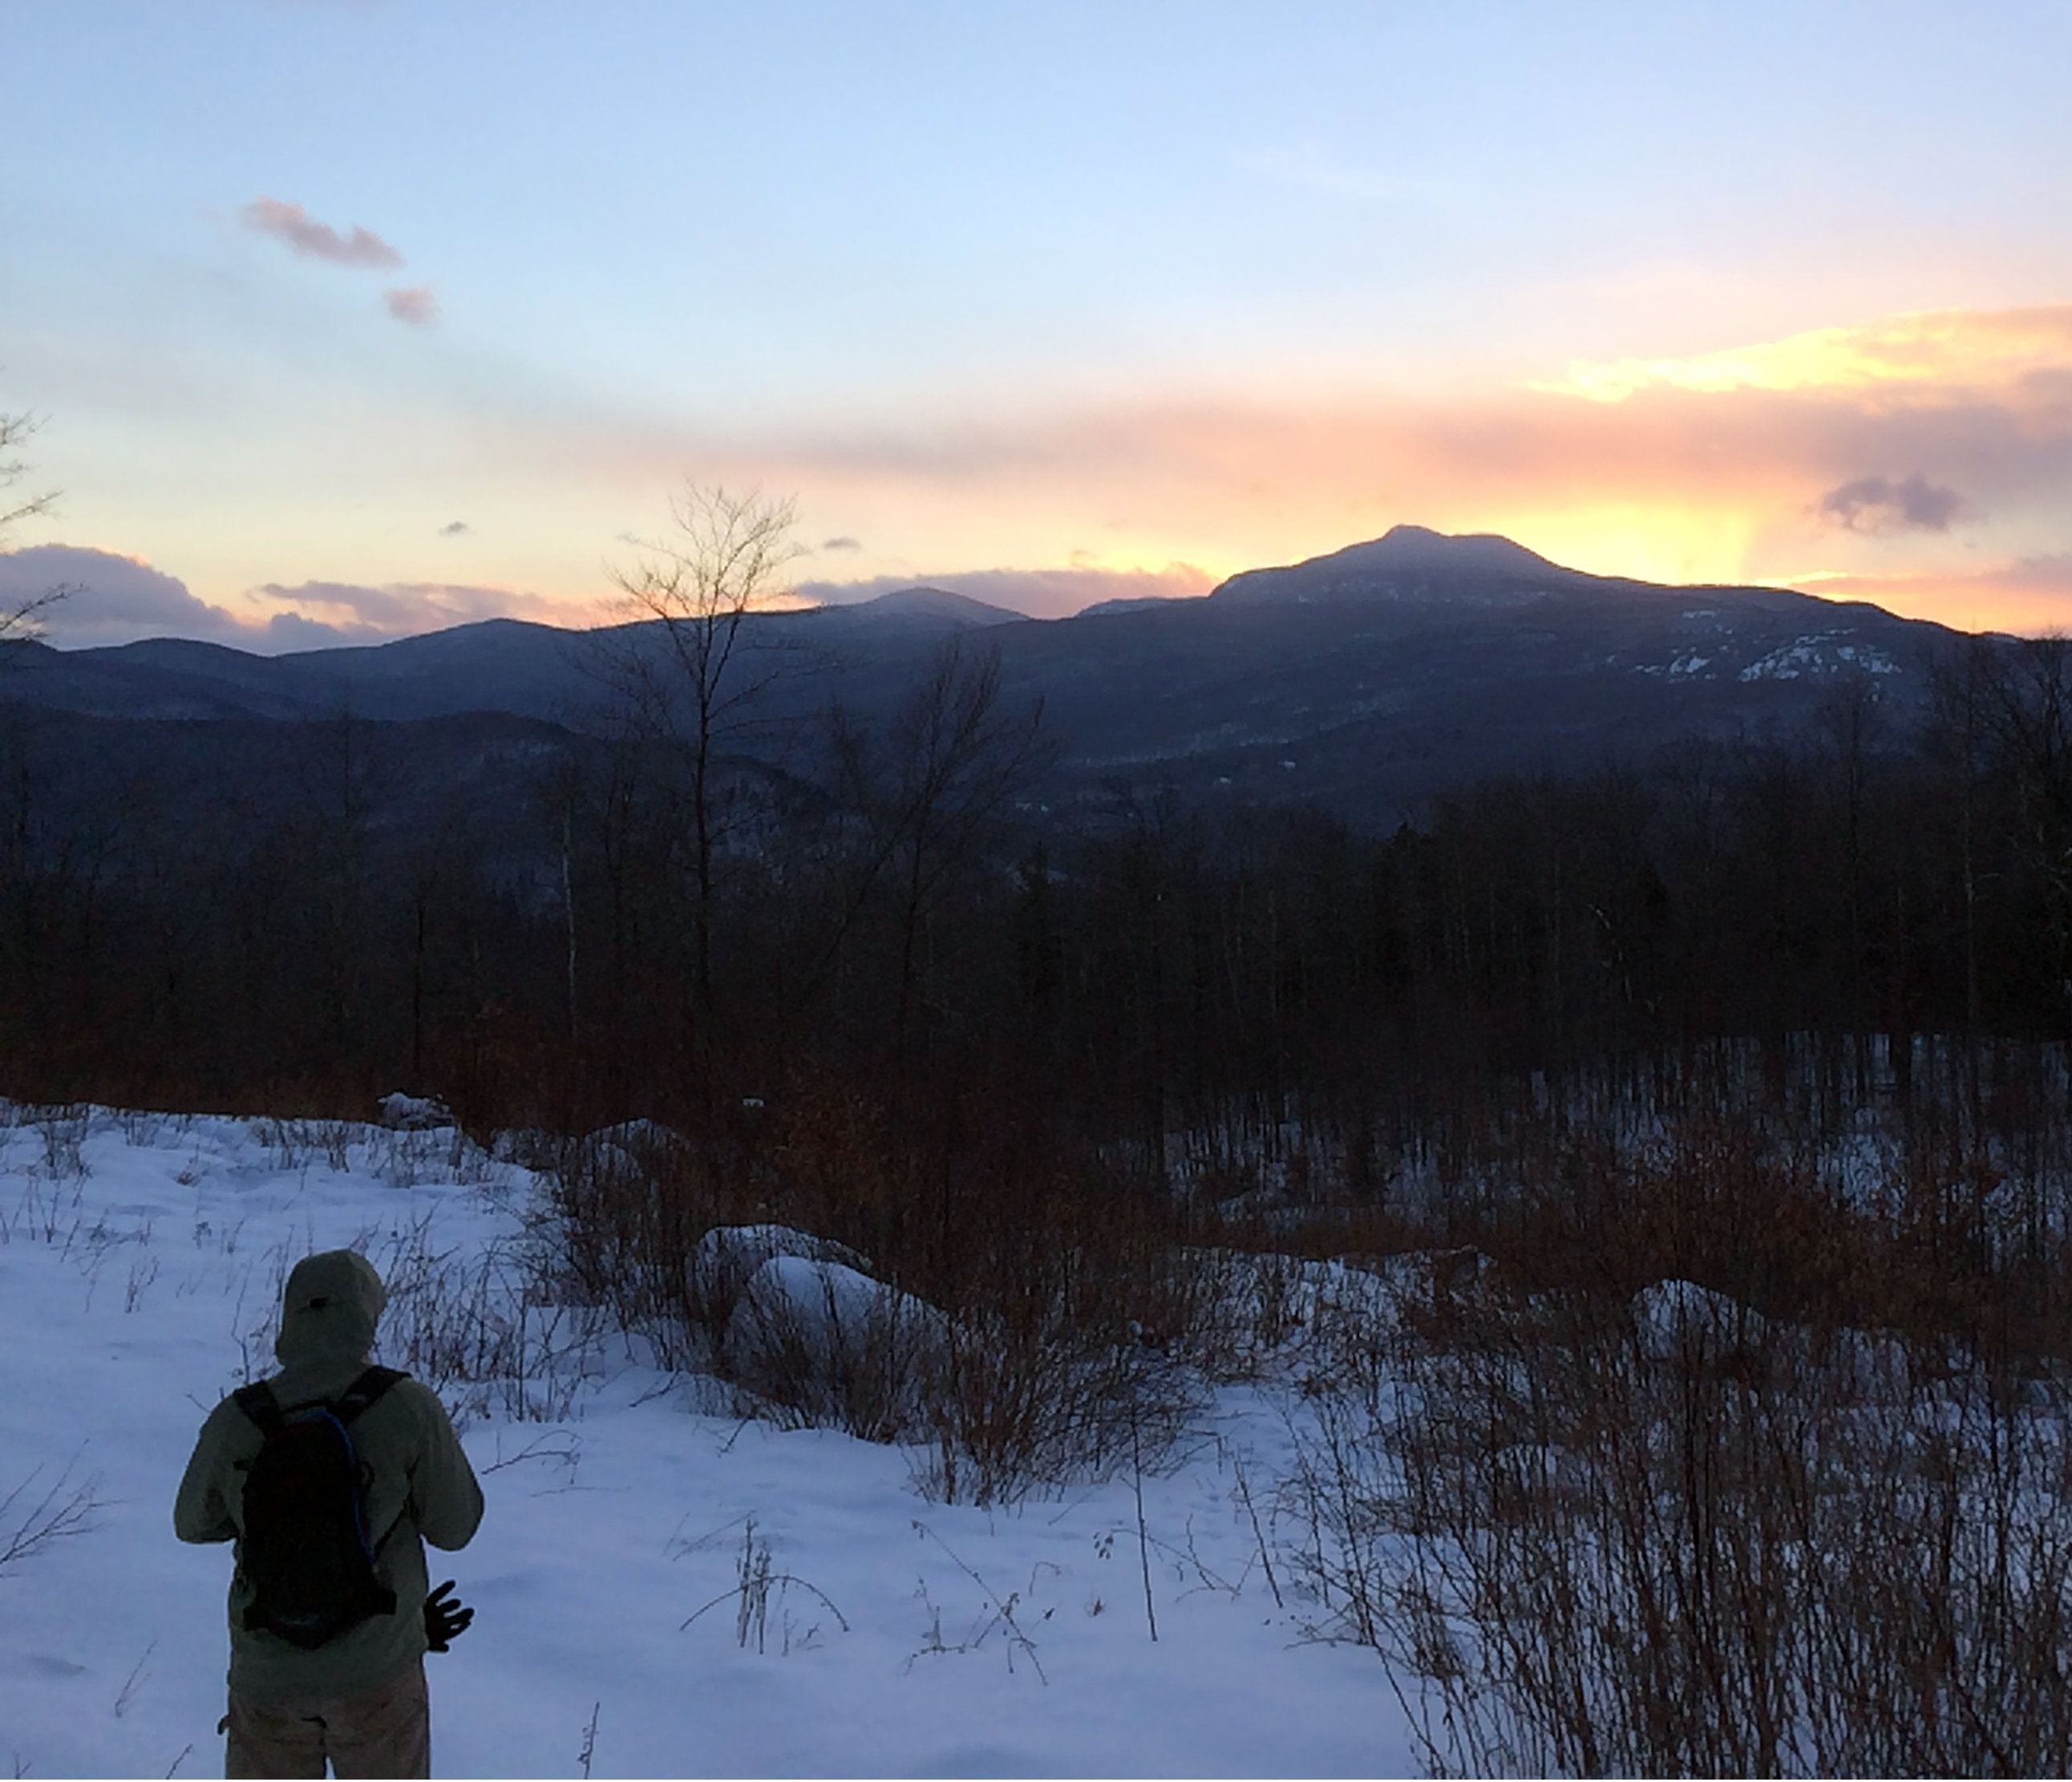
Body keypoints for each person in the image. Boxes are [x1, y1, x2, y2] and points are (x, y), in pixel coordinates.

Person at [176, 1249, 484, 1779]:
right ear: (366, 1314)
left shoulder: (239, 1416)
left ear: (291, 1318)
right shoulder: (406, 1405)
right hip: (377, 1672)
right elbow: (456, 1527)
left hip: (265, 1675)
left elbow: (193, 1523)